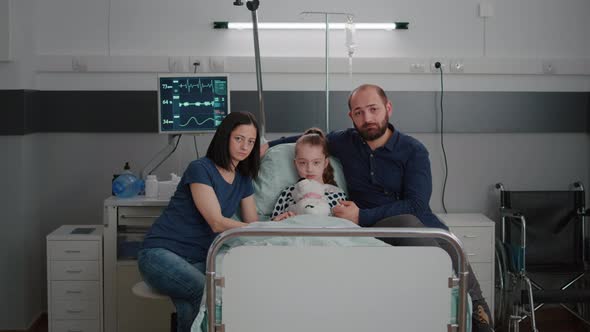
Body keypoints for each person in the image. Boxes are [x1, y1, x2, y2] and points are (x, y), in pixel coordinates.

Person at [262, 84, 493, 332]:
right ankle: (449, 307)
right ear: (351, 116)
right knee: (417, 233)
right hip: (377, 228)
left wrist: (361, 215)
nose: (367, 118)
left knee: (447, 241)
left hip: (410, 220)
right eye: (359, 112)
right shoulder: (345, 141)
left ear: (388, 109)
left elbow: (416, 205)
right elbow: (307, 142)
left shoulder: (413, 150)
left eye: (373, 109)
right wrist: (266, 145)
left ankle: (477, 311)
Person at [138, 112, 261, 332]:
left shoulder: (243, 179)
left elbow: (253, 223)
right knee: (204, 290)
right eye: (239, 138)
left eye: (251, 141)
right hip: (159, 254)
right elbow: (217, 222)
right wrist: (261, 228)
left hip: (196, 259)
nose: (245, 146)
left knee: (191, 303)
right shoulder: (201, 168)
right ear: (225, 137)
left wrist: (275, 223)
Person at [271, 128, 347, 221]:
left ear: (325, 163)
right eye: (303, 162)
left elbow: (344, 226)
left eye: (316, 162)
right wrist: (279, 220)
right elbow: (272, 226)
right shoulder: (288, 193)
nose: (309, 169)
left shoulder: (337, 194)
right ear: (295, 164)